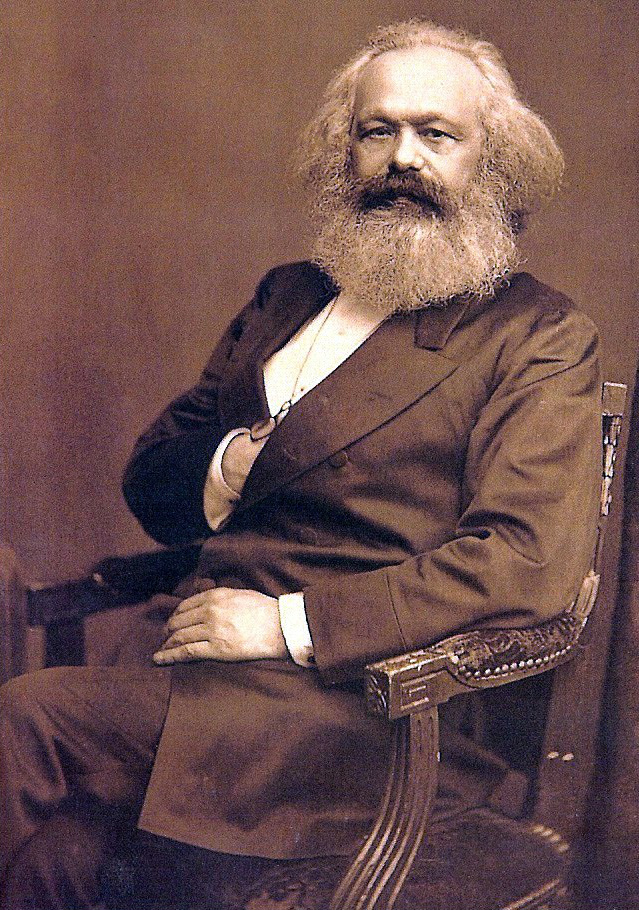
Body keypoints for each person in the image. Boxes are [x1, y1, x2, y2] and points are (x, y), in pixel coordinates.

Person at [0, 18, 601, 910]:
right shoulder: (289, 294)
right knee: (54, 862)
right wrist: (225, 468)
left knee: (24, 715)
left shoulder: (535, 334)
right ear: (343, 151)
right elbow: (153, 477)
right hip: (191, 668)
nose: (402, 159)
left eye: (436, 134)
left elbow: (523, 563)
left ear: (493, 160)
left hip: (359, 707)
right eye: (376, 131)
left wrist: (286, 624)